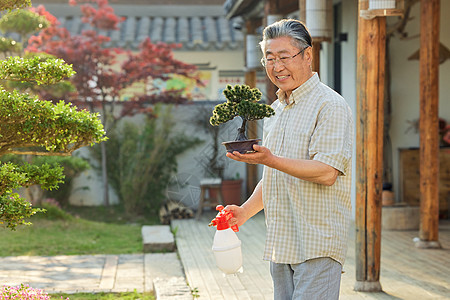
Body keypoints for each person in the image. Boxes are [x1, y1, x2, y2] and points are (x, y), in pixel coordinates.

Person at [225, 19, 353, 300]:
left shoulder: (329, 105)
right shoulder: (277, 109)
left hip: (317, 243)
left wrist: (270, 160)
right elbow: (275, 175)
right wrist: (245, 212)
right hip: (282, 242)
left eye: (284, 57)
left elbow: (327, 171)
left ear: (308, 55)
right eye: (270, 58)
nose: (277, 67)